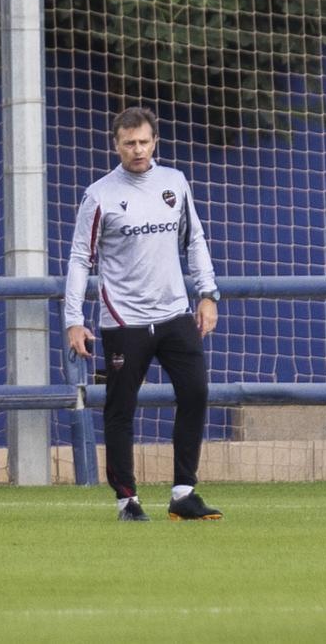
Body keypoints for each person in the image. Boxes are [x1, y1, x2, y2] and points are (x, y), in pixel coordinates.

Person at [64, 106, 223, 523]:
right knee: (121, 409)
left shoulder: (174, 183)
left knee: (196, 393)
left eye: (144, 141)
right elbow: (81, 258)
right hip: (124, 321)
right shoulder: (99, 195)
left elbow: (195, 239)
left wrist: (208, 294)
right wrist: (73, 319)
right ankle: (127, 501)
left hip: (174, 314)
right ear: (115, 145)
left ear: (156, 142)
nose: (137, 150)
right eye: (129, 142)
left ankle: (183, 494)